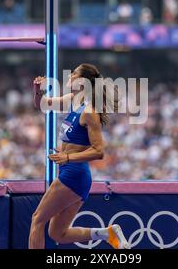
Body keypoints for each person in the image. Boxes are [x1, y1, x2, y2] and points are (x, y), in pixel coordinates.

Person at [28, 63, 130, 249]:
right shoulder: (73, 101)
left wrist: (67, 158)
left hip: (73, 173)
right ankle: (106, 233)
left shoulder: (89, 112)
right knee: (57, 233)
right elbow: (42, 105)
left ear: (82, 82)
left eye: (74, 73)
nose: (69, 76)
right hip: (75, 176)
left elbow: (99, 151)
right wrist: (37, 90)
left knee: (37, 219)